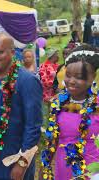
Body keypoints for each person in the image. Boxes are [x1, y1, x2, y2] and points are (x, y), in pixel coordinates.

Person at [0, 33, 43, 180]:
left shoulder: (27, 80)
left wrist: (22, 162)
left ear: (12, 52)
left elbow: (34, 125)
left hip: (14, 157)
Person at [41, 45, 99, 180]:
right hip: (63, 171)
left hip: (92, 173)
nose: (71, 81)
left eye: (78, 77)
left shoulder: (96, 106)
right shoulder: (58, 104)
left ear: (92, 77)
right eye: (68, 75)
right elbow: (52, 141)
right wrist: (46, 169)